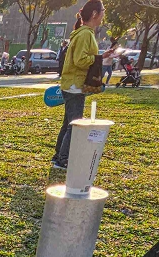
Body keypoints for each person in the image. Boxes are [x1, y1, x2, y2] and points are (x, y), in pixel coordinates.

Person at [51, 0, 104, 170]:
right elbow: (80, 60)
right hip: (75, 85)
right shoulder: (85, 34)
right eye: (102, 11)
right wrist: (97, 59)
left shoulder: (83, 33)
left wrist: (101, 57)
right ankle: (63, 160)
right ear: (95, 14)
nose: (103, 15)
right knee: (75, 125)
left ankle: (58, 156)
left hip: (72, 84)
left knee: (69, 124)